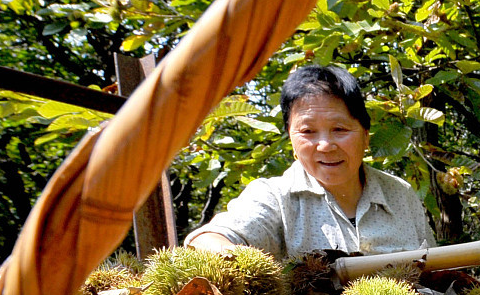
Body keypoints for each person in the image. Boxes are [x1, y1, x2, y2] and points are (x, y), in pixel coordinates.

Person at [186, 65, 434, 259]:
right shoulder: (275, 197)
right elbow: (210, 239)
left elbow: (439, 277)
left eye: (339, 129)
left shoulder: (400, 194)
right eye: (307, 132)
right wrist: (232, 260)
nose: (325, 145)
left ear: (366, 135)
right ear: (291, 140)